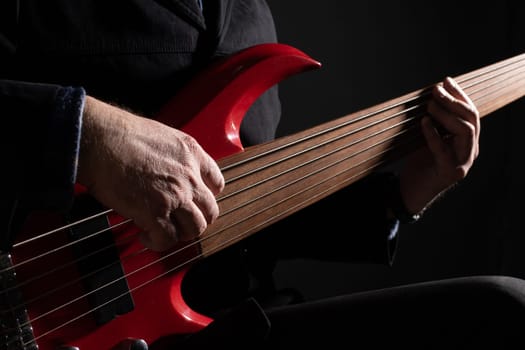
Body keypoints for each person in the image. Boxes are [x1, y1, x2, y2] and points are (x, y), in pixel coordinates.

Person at [1, 1, 524, 349]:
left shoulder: (250, 20)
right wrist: (87, 133)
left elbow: (234, 210)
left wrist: (405, 192)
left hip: (212, 323)